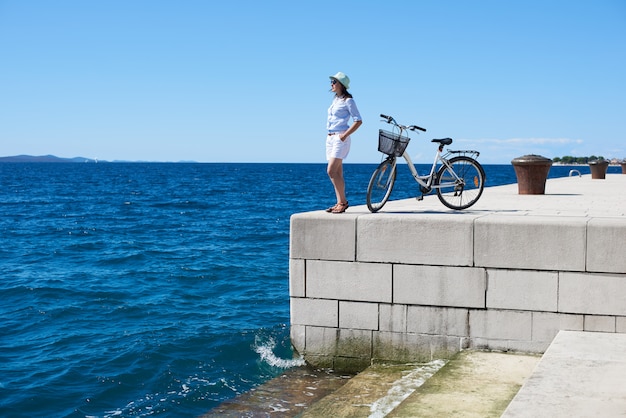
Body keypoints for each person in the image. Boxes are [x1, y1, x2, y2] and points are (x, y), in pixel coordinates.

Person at [325, 71, 362, 213]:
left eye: (334, 82)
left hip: (340, 138)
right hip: (330, 138)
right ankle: (340, 202)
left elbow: (358, 120)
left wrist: (344, 135)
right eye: (332, 82)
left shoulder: (348, 100)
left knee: (331, 171)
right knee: (338, 173)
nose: (332, 84)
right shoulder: (335, 100)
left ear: (341, 84)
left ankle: (343, 202)